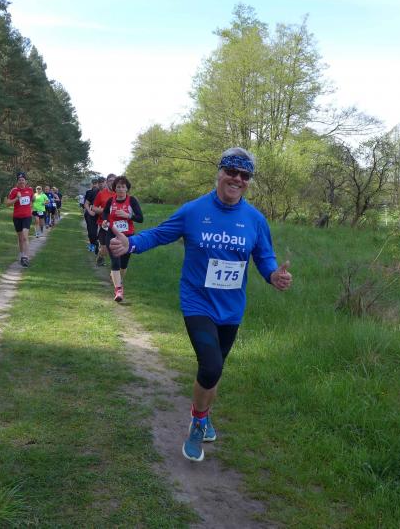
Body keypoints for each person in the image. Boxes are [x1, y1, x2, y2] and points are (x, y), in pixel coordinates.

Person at [109, 148, 293, 462]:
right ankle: (197, 422)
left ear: (248, 181)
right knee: (211, 366)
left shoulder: (255, 219)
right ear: (219, 173)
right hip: (198, 302)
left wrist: (273, 275)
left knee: (214, 371)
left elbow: (264, 257)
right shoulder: (194, 211)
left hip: (231, 308)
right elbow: (160, 234)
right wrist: (132, 244)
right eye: (231, 171)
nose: (237, 179)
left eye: (244, 175)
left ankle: (204, 415)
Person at [101, 175, 143, 302]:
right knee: (115, 262)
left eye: (123, 187)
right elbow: (105, 213)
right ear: (115, 188)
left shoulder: (132, 201)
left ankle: (118, 280)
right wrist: (105, 221)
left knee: (123, 264)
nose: (120, 189)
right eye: (118, 187)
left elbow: (140, 218)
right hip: (112, 234)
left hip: (127, 236)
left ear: (127, 188)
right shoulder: (111, 201)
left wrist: (128, 215)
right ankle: (118, 290)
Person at [4, 172, 34, 267]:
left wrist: (31, 206)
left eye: (23, 180)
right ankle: (21, 255)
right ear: (17, 181)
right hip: (17, 217)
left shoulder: (30, 190)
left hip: (27, 216)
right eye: (19, 180)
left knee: (25, 237)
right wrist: (17, 198)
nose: (21, 181)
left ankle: (26, 257)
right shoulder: (14, 190)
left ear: (26, 181)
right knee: (20, 238)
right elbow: (7, 204)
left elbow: (32, 199)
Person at [92, 173, 116, 266]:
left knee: (114, 248)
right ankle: (100, 256)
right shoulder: (101, 194)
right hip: (104, 224)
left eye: (114, 181)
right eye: (110, 181)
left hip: (116, 225)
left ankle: (115, 268)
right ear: (107, 182)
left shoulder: (120, 193)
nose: (112, 183)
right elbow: (94, 208)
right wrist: (104, 210)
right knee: (104, 249)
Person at [83, 178, 101, 253]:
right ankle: (93, 246)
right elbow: (85, 204)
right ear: (91, 184)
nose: (95, 185)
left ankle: (97, 243)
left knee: (102, 231)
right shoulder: (89, 192)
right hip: (90, 214)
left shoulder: (102, 192)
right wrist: (90, 211)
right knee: (91, 232)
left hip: (100, 214)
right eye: (93, 183)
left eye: (96, 183)